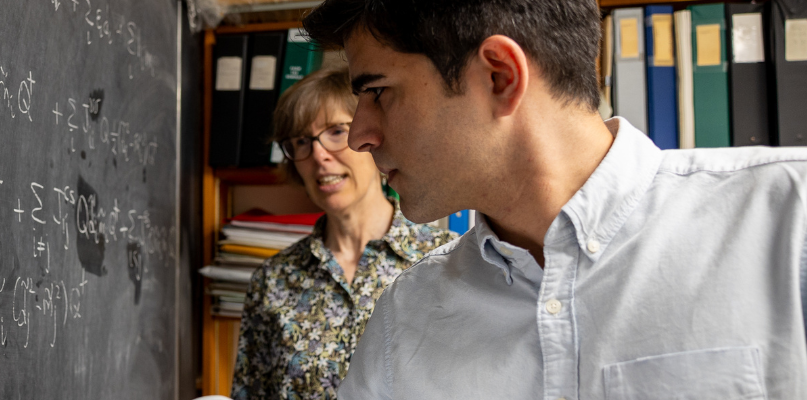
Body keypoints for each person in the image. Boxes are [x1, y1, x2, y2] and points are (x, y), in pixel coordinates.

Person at [299, 0, 807, 398]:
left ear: (500, 76)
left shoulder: (791, 217)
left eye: (378, 91)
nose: (360, 135)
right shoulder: (404, 316)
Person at [229, 68, 457, 399]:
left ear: (371, 138)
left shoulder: (447, 262)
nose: (319, 155)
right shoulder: (272, 282)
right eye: (302, 142)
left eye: (336, 131)